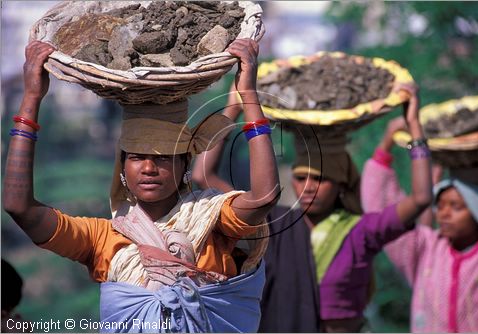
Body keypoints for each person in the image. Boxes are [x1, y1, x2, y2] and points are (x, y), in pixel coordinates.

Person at [3, 39, 280, 332]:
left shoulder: (213, 219)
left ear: (184, 165)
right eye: (136, 157)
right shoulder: (101, 239)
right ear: (122, 167)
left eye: (163, 158)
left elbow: (264, 197)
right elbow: (19, 207)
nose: (149, 169)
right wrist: (31, 98)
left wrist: (248, 95)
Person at [193, 83, 433, 332]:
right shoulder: (272, 225)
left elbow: (421, 198)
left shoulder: (360, 232)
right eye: (300, 178)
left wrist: (414, 125)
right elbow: (203, 175)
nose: (308, 187)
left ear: (341, 183)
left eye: (319, 179)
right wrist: (233, 108)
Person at [361, 121, 478, 333]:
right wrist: (387, 142)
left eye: (456, 206)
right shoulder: (427, 251)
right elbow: (384, 215)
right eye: (440, 205)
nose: (443, 213)